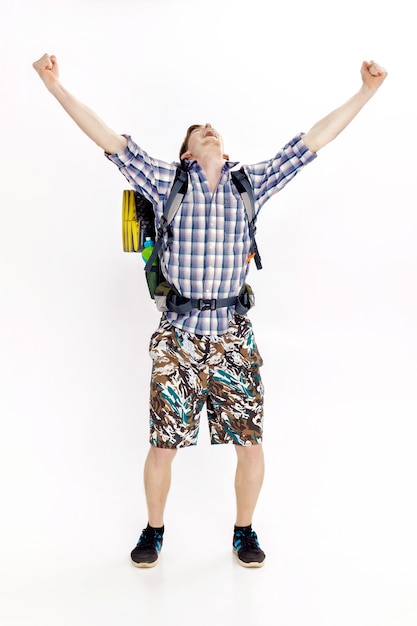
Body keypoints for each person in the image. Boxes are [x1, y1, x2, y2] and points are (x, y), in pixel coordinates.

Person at [32, 53, 387, 569]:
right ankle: (154, 531)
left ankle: (244, 531)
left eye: (214, 129)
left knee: (250, 444)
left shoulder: (250, 185)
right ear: (186, 151)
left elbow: (312, 141)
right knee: (163, 446)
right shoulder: (165, 181)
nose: (211, 131)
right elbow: (107, 139)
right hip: (177, 339)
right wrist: (54, 87)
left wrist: (365, 93)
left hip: (232, 339)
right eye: (199, 131)